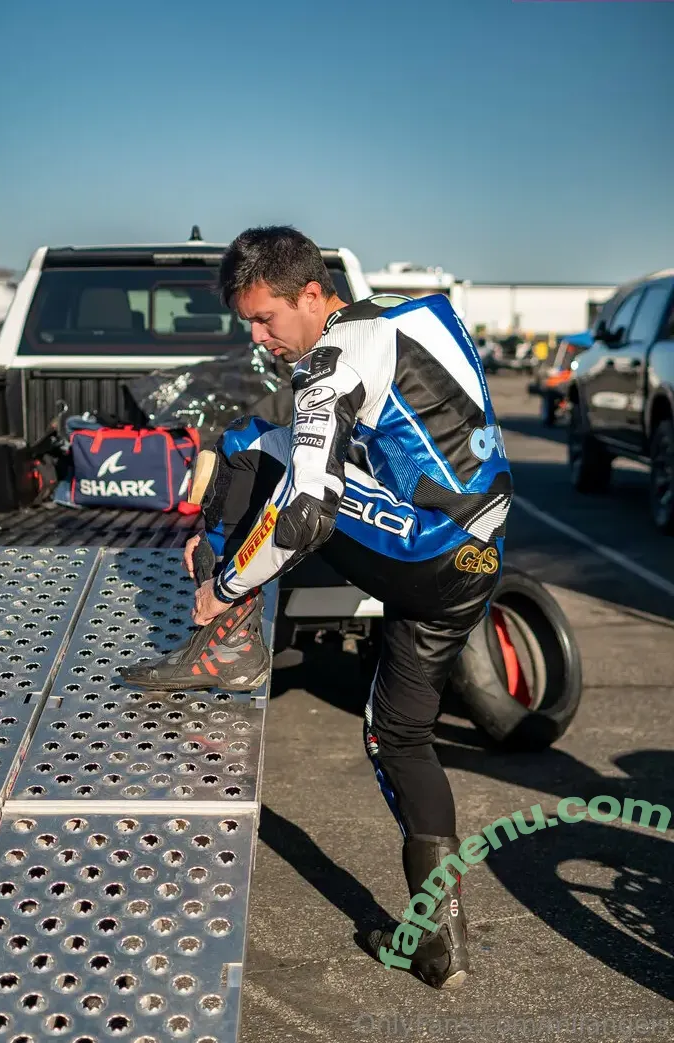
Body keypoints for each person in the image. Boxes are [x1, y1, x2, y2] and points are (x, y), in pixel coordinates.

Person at [120, 225, 512, 989]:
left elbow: (305, 515)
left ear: (310, 294)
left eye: (265, 319)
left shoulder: (331, 361)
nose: (259, 339)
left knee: (250, 445)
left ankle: (227, 638)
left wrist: (223, 583)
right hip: (482, 554)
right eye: (249, 325)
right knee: (397, 736)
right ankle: (440, 940)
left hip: (425, 550)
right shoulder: (421, 312)